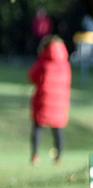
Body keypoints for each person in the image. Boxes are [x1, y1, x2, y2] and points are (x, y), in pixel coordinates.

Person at [28, 35, 71, 165]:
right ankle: (59, 157)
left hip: (43, 100)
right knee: (58, 129)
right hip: (61, 101)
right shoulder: (65, 64)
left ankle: (35, 155)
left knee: (38, 127)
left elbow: (32, 76)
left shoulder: (43, 62)